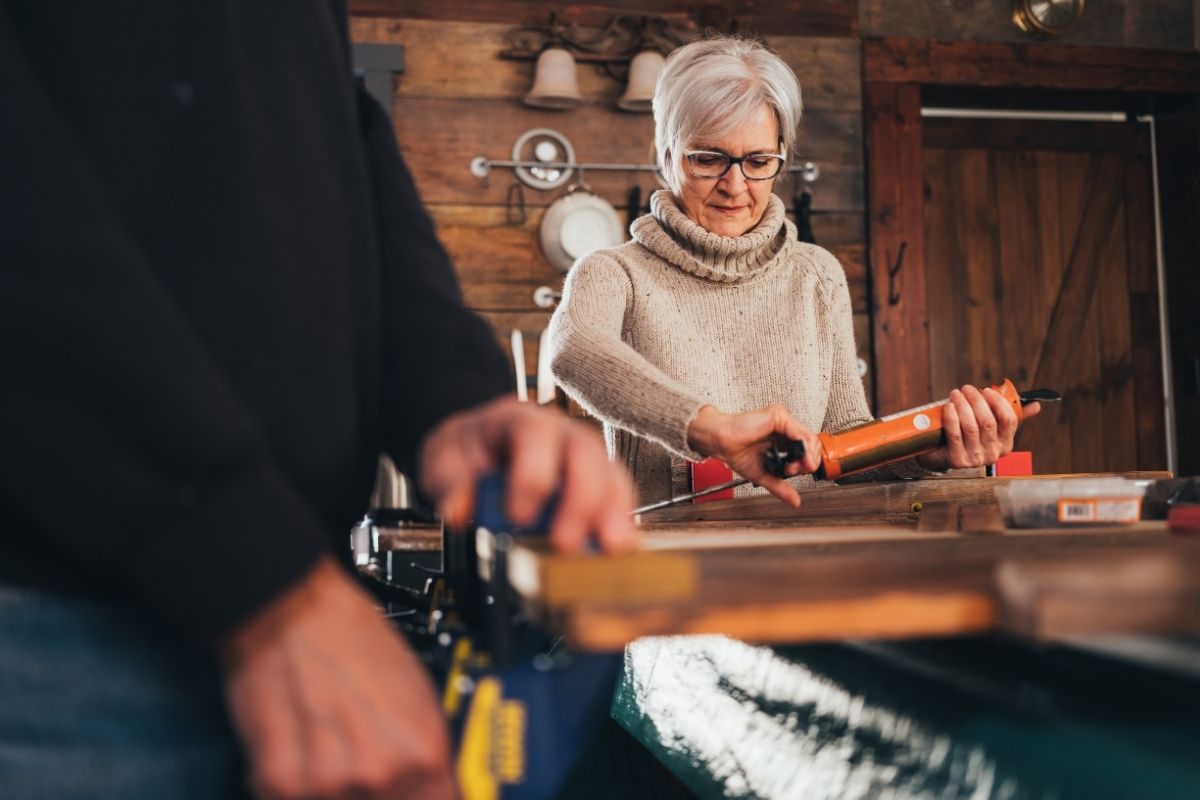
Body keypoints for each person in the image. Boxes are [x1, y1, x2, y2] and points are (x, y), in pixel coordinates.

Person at [0, 3, 635, 799]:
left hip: (274, 613)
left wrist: (454, 393)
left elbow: (329, 124)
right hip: (54, 638)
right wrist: (260, 583)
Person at [549, 36, 1040, 507]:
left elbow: (845, 439)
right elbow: (573, 349)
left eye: (758, 160)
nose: (734, 185)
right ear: (667, 155)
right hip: (674, 564)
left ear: (781, 159)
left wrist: (927, 454)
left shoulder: (816, 275)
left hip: (807, 552)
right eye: (708, 159)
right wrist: (708, 427)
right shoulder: (615, 274)